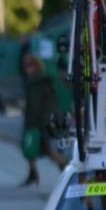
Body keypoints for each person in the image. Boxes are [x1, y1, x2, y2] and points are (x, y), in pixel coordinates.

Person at [21, 55, 68, 186]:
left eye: (30, 65)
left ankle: (69, 171)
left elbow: (36, 105)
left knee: (49, 150)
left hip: (44, 122)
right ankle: (33, 174)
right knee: (33, 150)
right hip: (44, 120)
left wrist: (34, 124)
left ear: (36, 65)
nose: (27, 68)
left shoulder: (38, 82)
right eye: (26, 65)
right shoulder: (36, 80)